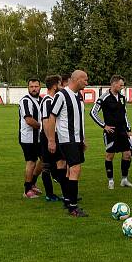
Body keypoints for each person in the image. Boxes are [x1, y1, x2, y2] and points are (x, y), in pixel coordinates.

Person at [47, 70, 89, 217]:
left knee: (70, 169)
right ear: (77, 79)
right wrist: (51, 140)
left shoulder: (78, 96)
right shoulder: (61, 95)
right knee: (75, 169)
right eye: (85, 80)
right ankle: (73, 207)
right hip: (67, 139)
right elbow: (52, 117)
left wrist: (82, 139)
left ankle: (67, 200)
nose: (87, 82)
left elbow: (79, 120)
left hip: (77, 139)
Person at [90, 75, 132, 190]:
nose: (122, 87)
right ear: (114, 84)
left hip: (122, 131)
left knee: (127, 154)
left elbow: (124, 114)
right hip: (111, 132)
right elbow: (93, 112)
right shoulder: (104, 97)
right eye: (121, 85)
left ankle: (124, 179)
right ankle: (110, 180)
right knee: (110, 155)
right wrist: (104, 125)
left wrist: (128, 130)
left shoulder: (121, 97)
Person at [18, 78, 44, 198]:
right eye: (31, 87)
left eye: (36, 86)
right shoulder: (25, 101)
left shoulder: (42, 100)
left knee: (44, 160)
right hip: (28, 138)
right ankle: (27, 190)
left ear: (40, 87)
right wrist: (44, 126)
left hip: (39, 137)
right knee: (31, 162)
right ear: (28, 88)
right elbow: (29, 120)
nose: (34, 89)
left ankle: (32, 182)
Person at [39, 75, 63, 202]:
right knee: (47, 166)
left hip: (51, 136)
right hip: (47, 136)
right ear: (54, 86)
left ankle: (66, 192)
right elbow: (46, 122)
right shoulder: (48, 101)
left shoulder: (52, 99)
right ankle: (49, 194)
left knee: (58, 163)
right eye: (59, 84)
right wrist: (50, 140)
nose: (61, 87)